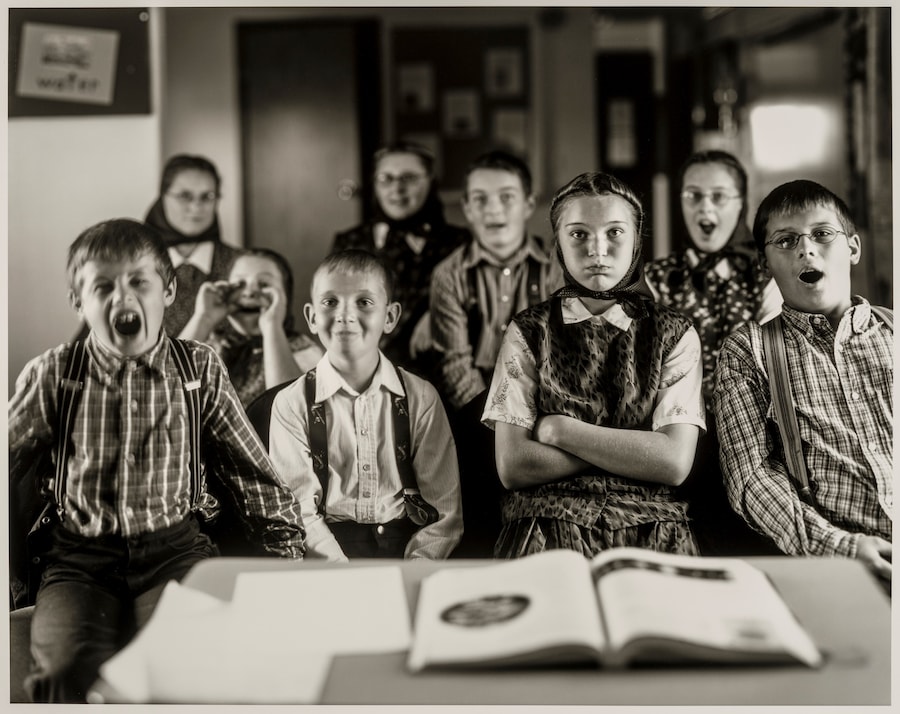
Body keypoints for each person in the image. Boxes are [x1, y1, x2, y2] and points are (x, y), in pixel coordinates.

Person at [8, 219, 306, 703]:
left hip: (175, 550)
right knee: (63, 670)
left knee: (182, 664)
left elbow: (254, 476)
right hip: (79, 560)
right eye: (102, 287)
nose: (121, 299)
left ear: (168, 292)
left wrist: (286, 558)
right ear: (78, 302)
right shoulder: (55, 373)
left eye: (138, 283)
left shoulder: (198, 368)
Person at [482, 172, 706, 559]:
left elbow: (673, 462)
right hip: (546, 521)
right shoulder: (529, 331)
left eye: (615, 233)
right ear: (559, 243)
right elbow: (513, 464)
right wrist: (631, 450)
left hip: (653, 523)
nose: (597, 250)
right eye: (579, 234)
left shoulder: (674, 333)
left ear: (636, 240)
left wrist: (559, 429)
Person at [713, 179, 892, 588]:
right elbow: (751, 477)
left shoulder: (893, 333)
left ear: (853, 247)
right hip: (843, 567)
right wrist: (840, 547)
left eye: (822, 234)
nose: (806, 249)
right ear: (764, 265)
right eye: (786, 240)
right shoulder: (749, 351)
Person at [268, 249, 463, 560]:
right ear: (312, 318)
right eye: (330, 302)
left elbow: (444, 515)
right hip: (325, 552)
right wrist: (344, 576)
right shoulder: (291, 404)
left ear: (389, 317)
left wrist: (414, 569)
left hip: (405, 551)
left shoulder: (420, 397)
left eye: (364, 302)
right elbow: (299, 513)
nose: (345, 315)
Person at [643, 150, 782, 555]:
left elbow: (772, 361)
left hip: (750, 427)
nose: (706, 207)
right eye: (694, 195)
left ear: (741, 203)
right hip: (677, 432)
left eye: (719, 196)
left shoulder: (764, 278)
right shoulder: (656, 279)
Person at [429, 150, 560, 556]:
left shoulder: (554, 266)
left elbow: (564, 353)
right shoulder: (449, 274)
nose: (493, 210)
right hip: (476, 408)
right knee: (475, 473)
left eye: (505, 197)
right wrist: (498, 423)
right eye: (480, 200)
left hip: (542, 402)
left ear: (527, 203)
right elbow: (455, 367)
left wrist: (528, 420)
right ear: (467, 208)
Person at [332, 141, 469, 376]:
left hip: (437, 371)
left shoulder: (459, 242)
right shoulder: (349, 242)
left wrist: (436, 315)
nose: (396, 189)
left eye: (409, 178)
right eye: (386, 179)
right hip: (363, 371)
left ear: (431, 181)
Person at [179, 247, 323, 406]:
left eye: (263, 284)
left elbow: (291, 408)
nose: (249, 292)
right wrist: (203, 318)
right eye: (240, 283)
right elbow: (164, 385)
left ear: (285, 298)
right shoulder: (210, 345)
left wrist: (271, 326)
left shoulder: (303, 350)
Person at [144, 154, 241, 337]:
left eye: (207, 196)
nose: (196, 207)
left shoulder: (240, 266)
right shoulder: (134, 265)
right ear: (163, 196)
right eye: (184, 196)